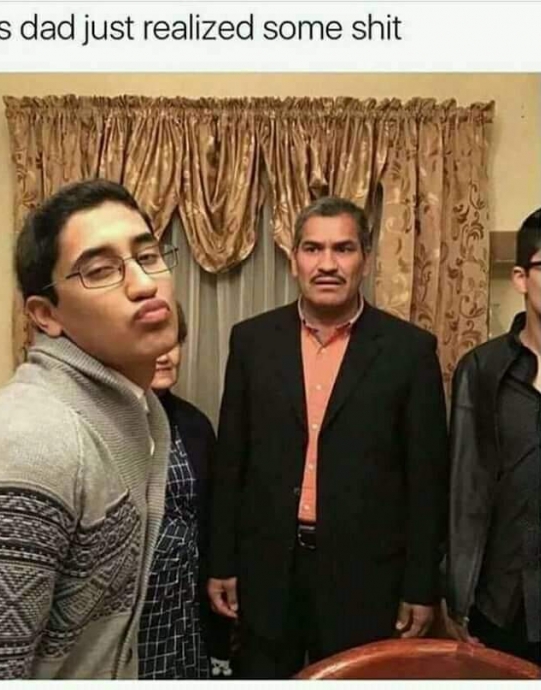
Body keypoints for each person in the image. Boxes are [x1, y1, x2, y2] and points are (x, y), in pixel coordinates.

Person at [207, 196, 449, 678]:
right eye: (313, 249)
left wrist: (421, 585)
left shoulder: (409, 351)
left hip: (366, 576)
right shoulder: (252, 341)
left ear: (366, 260)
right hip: (266, 567)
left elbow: (427, 480)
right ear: (294, 258)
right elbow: (232, 459)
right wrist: (221, 561)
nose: (327, 264)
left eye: (343, 249)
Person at [0, 179, 179, 679]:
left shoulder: (138, 408)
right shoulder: (32, 442)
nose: (144, 284)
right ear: (46, 315)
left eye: (148, 256)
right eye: (100, 270)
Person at [445, 208, 541, 666]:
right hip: (502, 603)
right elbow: (463, 488)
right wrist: (457, 593)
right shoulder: (482, 369)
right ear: (521, 278)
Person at [138, 302, 232, 679]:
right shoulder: (97, 422)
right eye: (151, 342)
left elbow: (213, 518)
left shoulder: (195, 425)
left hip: (184, 607)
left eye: (173, 341)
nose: (165, 355)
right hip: (129, 611)